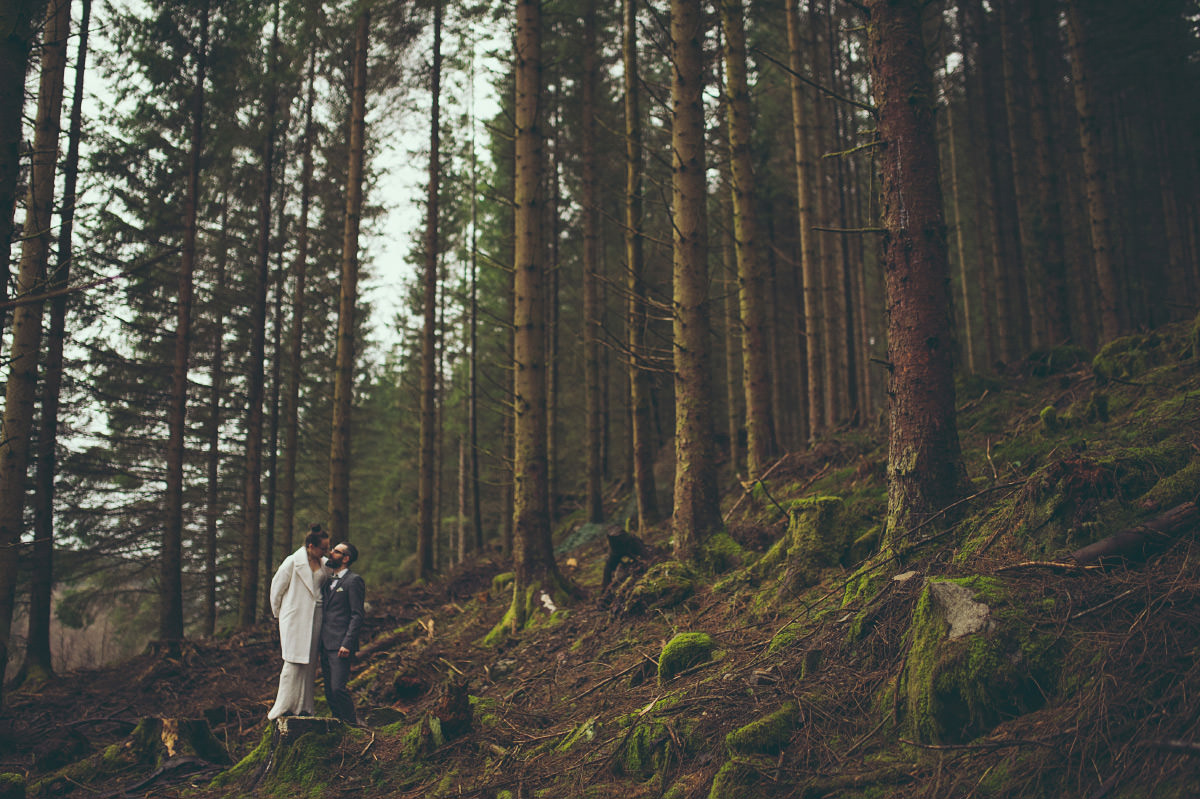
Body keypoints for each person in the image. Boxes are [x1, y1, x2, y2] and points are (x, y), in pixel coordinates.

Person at [267, 524, 330, 720]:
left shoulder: (325, 564)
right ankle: (283, 706)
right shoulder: (292, 562)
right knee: (293, 662)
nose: (325, 552)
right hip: (295, 617)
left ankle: (304, 707)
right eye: (323, 548)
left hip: (316, 616)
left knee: (309, 662)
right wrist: (280, 615)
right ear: (311, 546)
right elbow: (276, 589)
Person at [320, 541, 365, 724]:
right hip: (325, 644)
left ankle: (353, 726)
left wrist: (347, 643)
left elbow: (357, 615)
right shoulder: (327, 580)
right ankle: (339, 727)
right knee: (329, 692)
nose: (331, 553)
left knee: (338, 688)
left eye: (336, 551)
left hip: (341, 645)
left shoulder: (354, 581)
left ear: (346, 558)